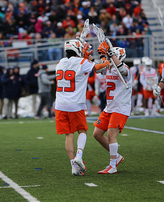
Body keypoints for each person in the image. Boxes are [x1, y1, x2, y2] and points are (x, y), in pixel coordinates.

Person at [55, 39, 110, 176]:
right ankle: (79, 156)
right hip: (75, 104)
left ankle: (74, 166)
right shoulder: (82, 62)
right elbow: (100, 67)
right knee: (82, 131)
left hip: (60, 105)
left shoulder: (60, 63)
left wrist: (86, 55)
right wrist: (104, 59)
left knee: (69, 136)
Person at [93, 43, 132, 174]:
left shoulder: (125, 69)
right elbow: (97, 69)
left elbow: (121, 69)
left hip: (120, 107)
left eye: (112, 56)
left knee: (111, 134)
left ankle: (112, 165)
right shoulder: (109, 67)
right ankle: (117, 157)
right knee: (97, 134)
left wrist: (111, 55)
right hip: (109, 107)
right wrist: (102, 55)